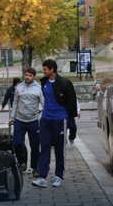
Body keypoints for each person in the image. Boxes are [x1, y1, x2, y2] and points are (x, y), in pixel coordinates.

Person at [32, 60, 77, 188]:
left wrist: (70, 120)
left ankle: (59, 177)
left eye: (45, 69)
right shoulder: (44, 82)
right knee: (44, 148)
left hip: (59, 119)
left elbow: (71, 102)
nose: (43, 71)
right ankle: (42, 177)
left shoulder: (65, 83)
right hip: (45, 119)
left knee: (59, 149)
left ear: (52, 69)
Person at [9, 68, 44, 177]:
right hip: (20, 121)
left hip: (33, 121)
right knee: (16, 143)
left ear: (34, 77)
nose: (27, 77)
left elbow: (44, 104)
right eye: (26, 75)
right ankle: (21, 162)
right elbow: (15, 103)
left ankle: (34, 167)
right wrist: (12, 118)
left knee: (34, 146)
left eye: (30, 75)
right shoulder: (19, 88)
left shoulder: (39, 89)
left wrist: (41, 116)